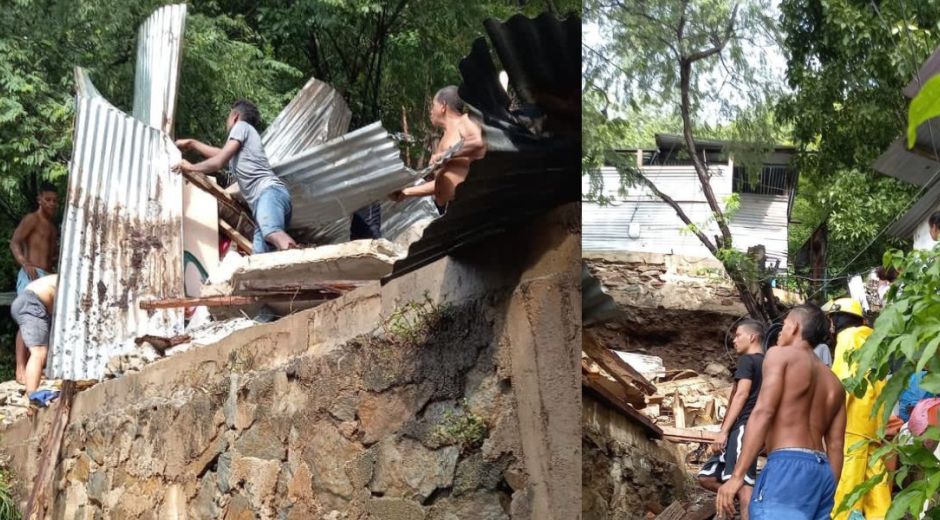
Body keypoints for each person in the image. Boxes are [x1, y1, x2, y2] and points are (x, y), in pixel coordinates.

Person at [717, 304, 847, 520]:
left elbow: (763, 412)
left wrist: (737, 476)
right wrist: (828, 490)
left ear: (795, 327)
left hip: (788, 465)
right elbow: (836, 446)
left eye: (784, 325)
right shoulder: (835, 383)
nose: (779, 332)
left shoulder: (780, 355)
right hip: (822, 471)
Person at [174, 100, 297, 253]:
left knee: (271, 231)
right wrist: (192, 143)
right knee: (259, 258)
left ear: (235, 117)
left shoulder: (241, 127)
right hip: (268, 200)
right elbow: (220, 154)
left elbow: (218, 162)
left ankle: (309, 265)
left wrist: (191, 168)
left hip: (268, 193)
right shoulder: (244, 144)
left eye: (228, 117)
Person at [822, 297, 891, 520]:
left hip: (852, 419)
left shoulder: (847, 338)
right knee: (875, 478)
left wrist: (827, 418)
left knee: (848, 480)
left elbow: (843, 381)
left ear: (834, 320)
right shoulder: (871, 340)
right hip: (873, 421)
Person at [697, 319, 766, 519]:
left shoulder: (748, 360)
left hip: (743, 427)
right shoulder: (768, 363)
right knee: (707, 476)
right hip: (749, 429)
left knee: (743, 486)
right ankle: (745, 502)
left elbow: (741, 394)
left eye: (738, 335)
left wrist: (723, 431)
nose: (734, 341)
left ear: (752, 337)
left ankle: (748, 508)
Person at [389, 86, 486, 206]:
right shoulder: (443, 139)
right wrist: (407, 192)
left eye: (433, 105)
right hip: (450, 208)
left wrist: (445, 155)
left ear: (443, 106)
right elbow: (440, 184)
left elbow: (479, 141)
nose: (431, 110)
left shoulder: (465, 120)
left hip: (469, 202)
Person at [10, 181, 59, 384]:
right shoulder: (31, 219)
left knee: (42, 321)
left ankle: (36, 368)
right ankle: (20, 368)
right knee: (27, 318)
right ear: (39, 200)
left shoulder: (52, 227)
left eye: (55, 201)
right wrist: (24, 263)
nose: (52, 204)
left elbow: (53, 254)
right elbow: (14, 242)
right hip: (30, 273)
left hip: (46, 275)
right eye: (48, 200)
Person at [9, 274, 57, 405]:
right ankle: (33, 395)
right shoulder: (76, 283)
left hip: (26, 300)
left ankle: (24, 375)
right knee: (39, 352)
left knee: (38, 350)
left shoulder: (66, 276)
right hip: (32, 303)